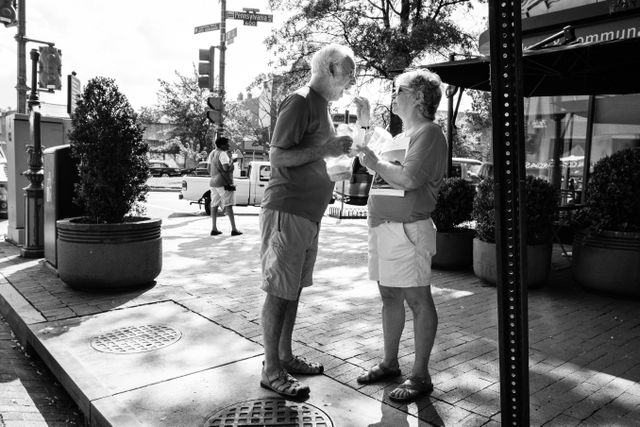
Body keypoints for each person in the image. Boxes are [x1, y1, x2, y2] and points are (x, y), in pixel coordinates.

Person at [259, 44, 356, 398]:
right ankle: (271, 370)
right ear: (330, 69)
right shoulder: (300, 100)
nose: (351, 80)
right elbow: (278, 156)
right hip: (288, 210)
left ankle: (283, 356)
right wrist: (325, 151)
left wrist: (334, 160)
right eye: (349, 73)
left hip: (307, 214)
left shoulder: (323, 106)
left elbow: (314, 156)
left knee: (293, 289)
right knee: (278, 291)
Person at [354, 69, 447, 402]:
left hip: (409, 232)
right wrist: (364, 122)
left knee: (418, 301)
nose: (394, 95)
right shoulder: (404, 134)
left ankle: (420, 376)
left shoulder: (430, 133)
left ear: (419, 97)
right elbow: (365, 152)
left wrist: (376, 163)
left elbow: (407, 179)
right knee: (389, 298)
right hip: (384, 229)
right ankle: (390, 363)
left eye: (399, 90)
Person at [207, 136, 242, 236]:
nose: (229, 145)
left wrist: (214, 175)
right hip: (223, 183)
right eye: (227, 144)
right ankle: (234, 229)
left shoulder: (212, 153)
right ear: (222, 145)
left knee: (214, 205)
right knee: (229, 205)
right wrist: (232, 161)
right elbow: (226, 168)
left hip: (213, 182)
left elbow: (208, 168)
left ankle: (214, 228)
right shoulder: (222, 154)